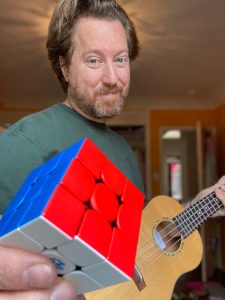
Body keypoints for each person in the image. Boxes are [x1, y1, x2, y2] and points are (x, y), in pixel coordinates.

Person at [0, 0, 224, 299]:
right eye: (94, 60)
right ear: (65, 67)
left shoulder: (126, 154)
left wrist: (198, 207)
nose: (112, 78)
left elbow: (138, 245)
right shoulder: (25, 142)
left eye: (120, 60)